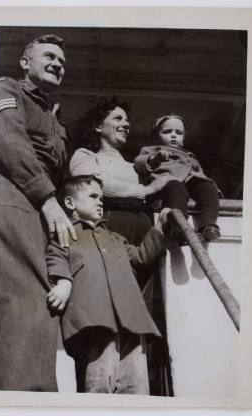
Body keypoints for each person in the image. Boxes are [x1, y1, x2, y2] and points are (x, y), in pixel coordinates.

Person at [0, 34, 76, 391]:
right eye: (49, 56)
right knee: (23, 301)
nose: (58, 63)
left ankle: (35, 397)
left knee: (40, 307)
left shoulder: (54, 119)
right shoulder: (5, 88)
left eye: (62, 60)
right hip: (9, 189)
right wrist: (46, 198)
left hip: (38, 202)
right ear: (25, 62)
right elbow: (4, 137)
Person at [69, 98, 173, 396]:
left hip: (142, 232)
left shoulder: (136, 167)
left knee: (139, 316)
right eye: (117, 117)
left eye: (127, 119)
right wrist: (144, 190)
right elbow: (92, 184)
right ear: (97, 126)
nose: (126, 123)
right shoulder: (85, 155)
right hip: (108, 228)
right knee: (102, 318)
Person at [46, 175, 171, 394]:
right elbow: (55, 256)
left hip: (131, 320)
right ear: (69, 203)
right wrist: (64, 281)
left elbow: (141, 256)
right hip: (94, 319)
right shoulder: (66, 234)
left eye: (101, 197)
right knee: (99, 383)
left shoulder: (115, 238)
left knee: (137, 385)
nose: (100, 201)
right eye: (93, 196)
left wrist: (159, 227)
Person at [134, 114, 221, 242]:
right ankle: (178, 228)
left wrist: (210, 188)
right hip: (166, 182)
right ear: (157, 136)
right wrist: (155, 158)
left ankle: (208, 226)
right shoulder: (151, 150)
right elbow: (139, 162)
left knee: (207, 187)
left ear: (183, 138)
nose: (173, 135)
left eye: (178, 132)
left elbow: (201, 175)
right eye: (167, 131)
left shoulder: (190, 155)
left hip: (190, 180)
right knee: (176, 188)